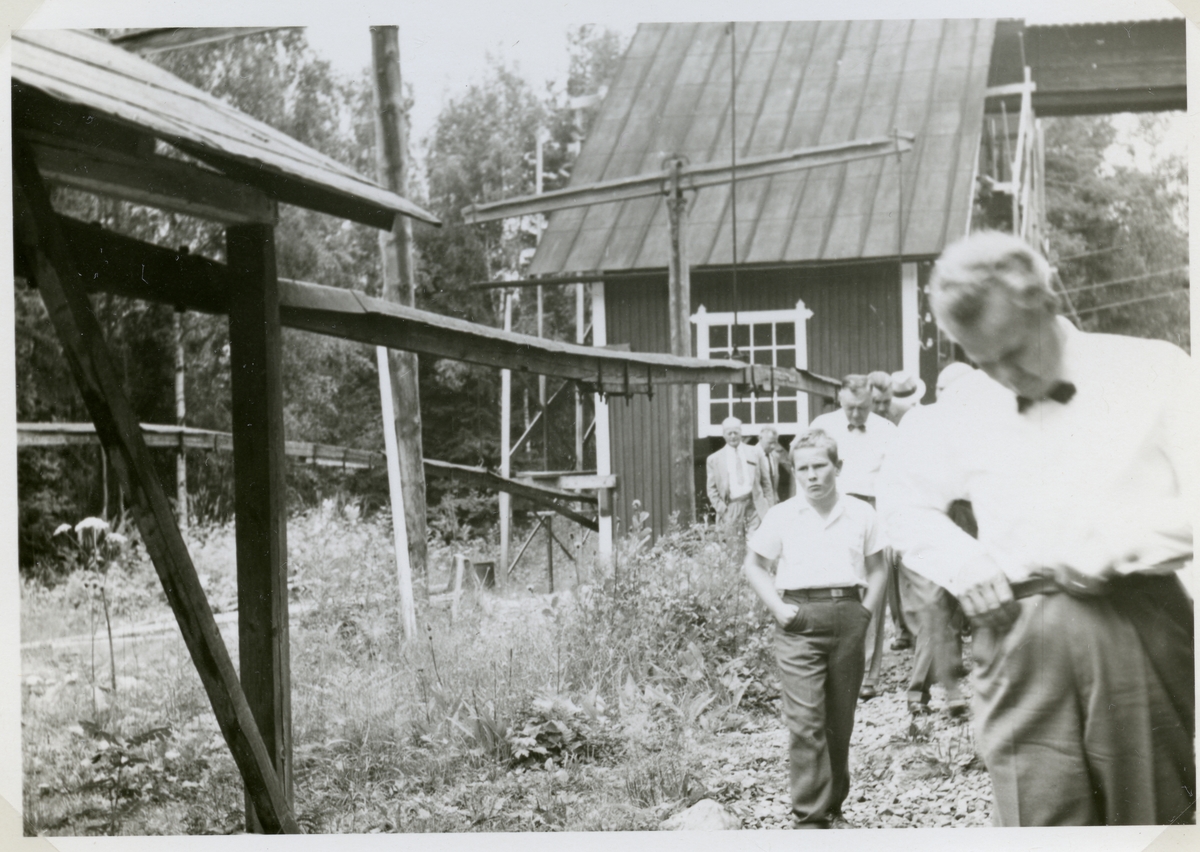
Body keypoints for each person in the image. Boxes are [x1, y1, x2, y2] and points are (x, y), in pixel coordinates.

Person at [879, 230, 1195, 826]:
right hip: (1016, 633)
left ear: (1048, 300)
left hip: (1136, 624)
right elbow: (900, 502)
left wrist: (1116, 544)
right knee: (1034, 822)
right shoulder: (965, 407)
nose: (1004, 375)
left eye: (1015, 351)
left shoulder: (1153, 368)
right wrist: (962, 563)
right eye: (982, 360)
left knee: (1156, 822)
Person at [743, 429, 887, 828]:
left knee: (839, 721)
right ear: (795, 470)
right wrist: (779, 609)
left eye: (820, 466)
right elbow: (753, 565)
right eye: (803, 468)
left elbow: (878, 570)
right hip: (799, 619)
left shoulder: (862, 513)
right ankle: (810, 820)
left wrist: (865, 614)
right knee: (806, 723)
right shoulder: (782, 515)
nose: (811, 476)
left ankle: (833, 808)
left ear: (837, 467)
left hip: (847, 616)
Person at [811, 376, 907, 696]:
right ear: (839, 400)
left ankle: (868, 676)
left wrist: (892, 529)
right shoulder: (822, 426)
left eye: (863, 408)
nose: (856, 415)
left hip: (873, 510)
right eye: (850, 408)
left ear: (873, 401)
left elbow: (897, 482)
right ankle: (834, 670)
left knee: (872, 593)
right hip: (832, 509)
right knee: (833, 589)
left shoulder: (888, 431)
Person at [706, 416, 770, 544]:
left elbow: (766, 483)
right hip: (731, 508)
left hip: (755, 505)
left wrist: (769, 507)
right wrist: (723, 511)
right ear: (724, 435)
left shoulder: (755, 452)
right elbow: (711, 490)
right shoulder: (714, 459)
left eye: (736, 432)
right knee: (734, 549)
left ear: (741, 432)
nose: (733, 436)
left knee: (756, 546)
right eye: (729, 433)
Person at [755, 425, 794, 504]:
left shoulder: (775, 456)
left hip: (772, 501)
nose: (773, 446)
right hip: (757, 503)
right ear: (760, 439)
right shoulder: (751, 456)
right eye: (769, 443)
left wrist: (775, 496)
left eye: (775, 442)